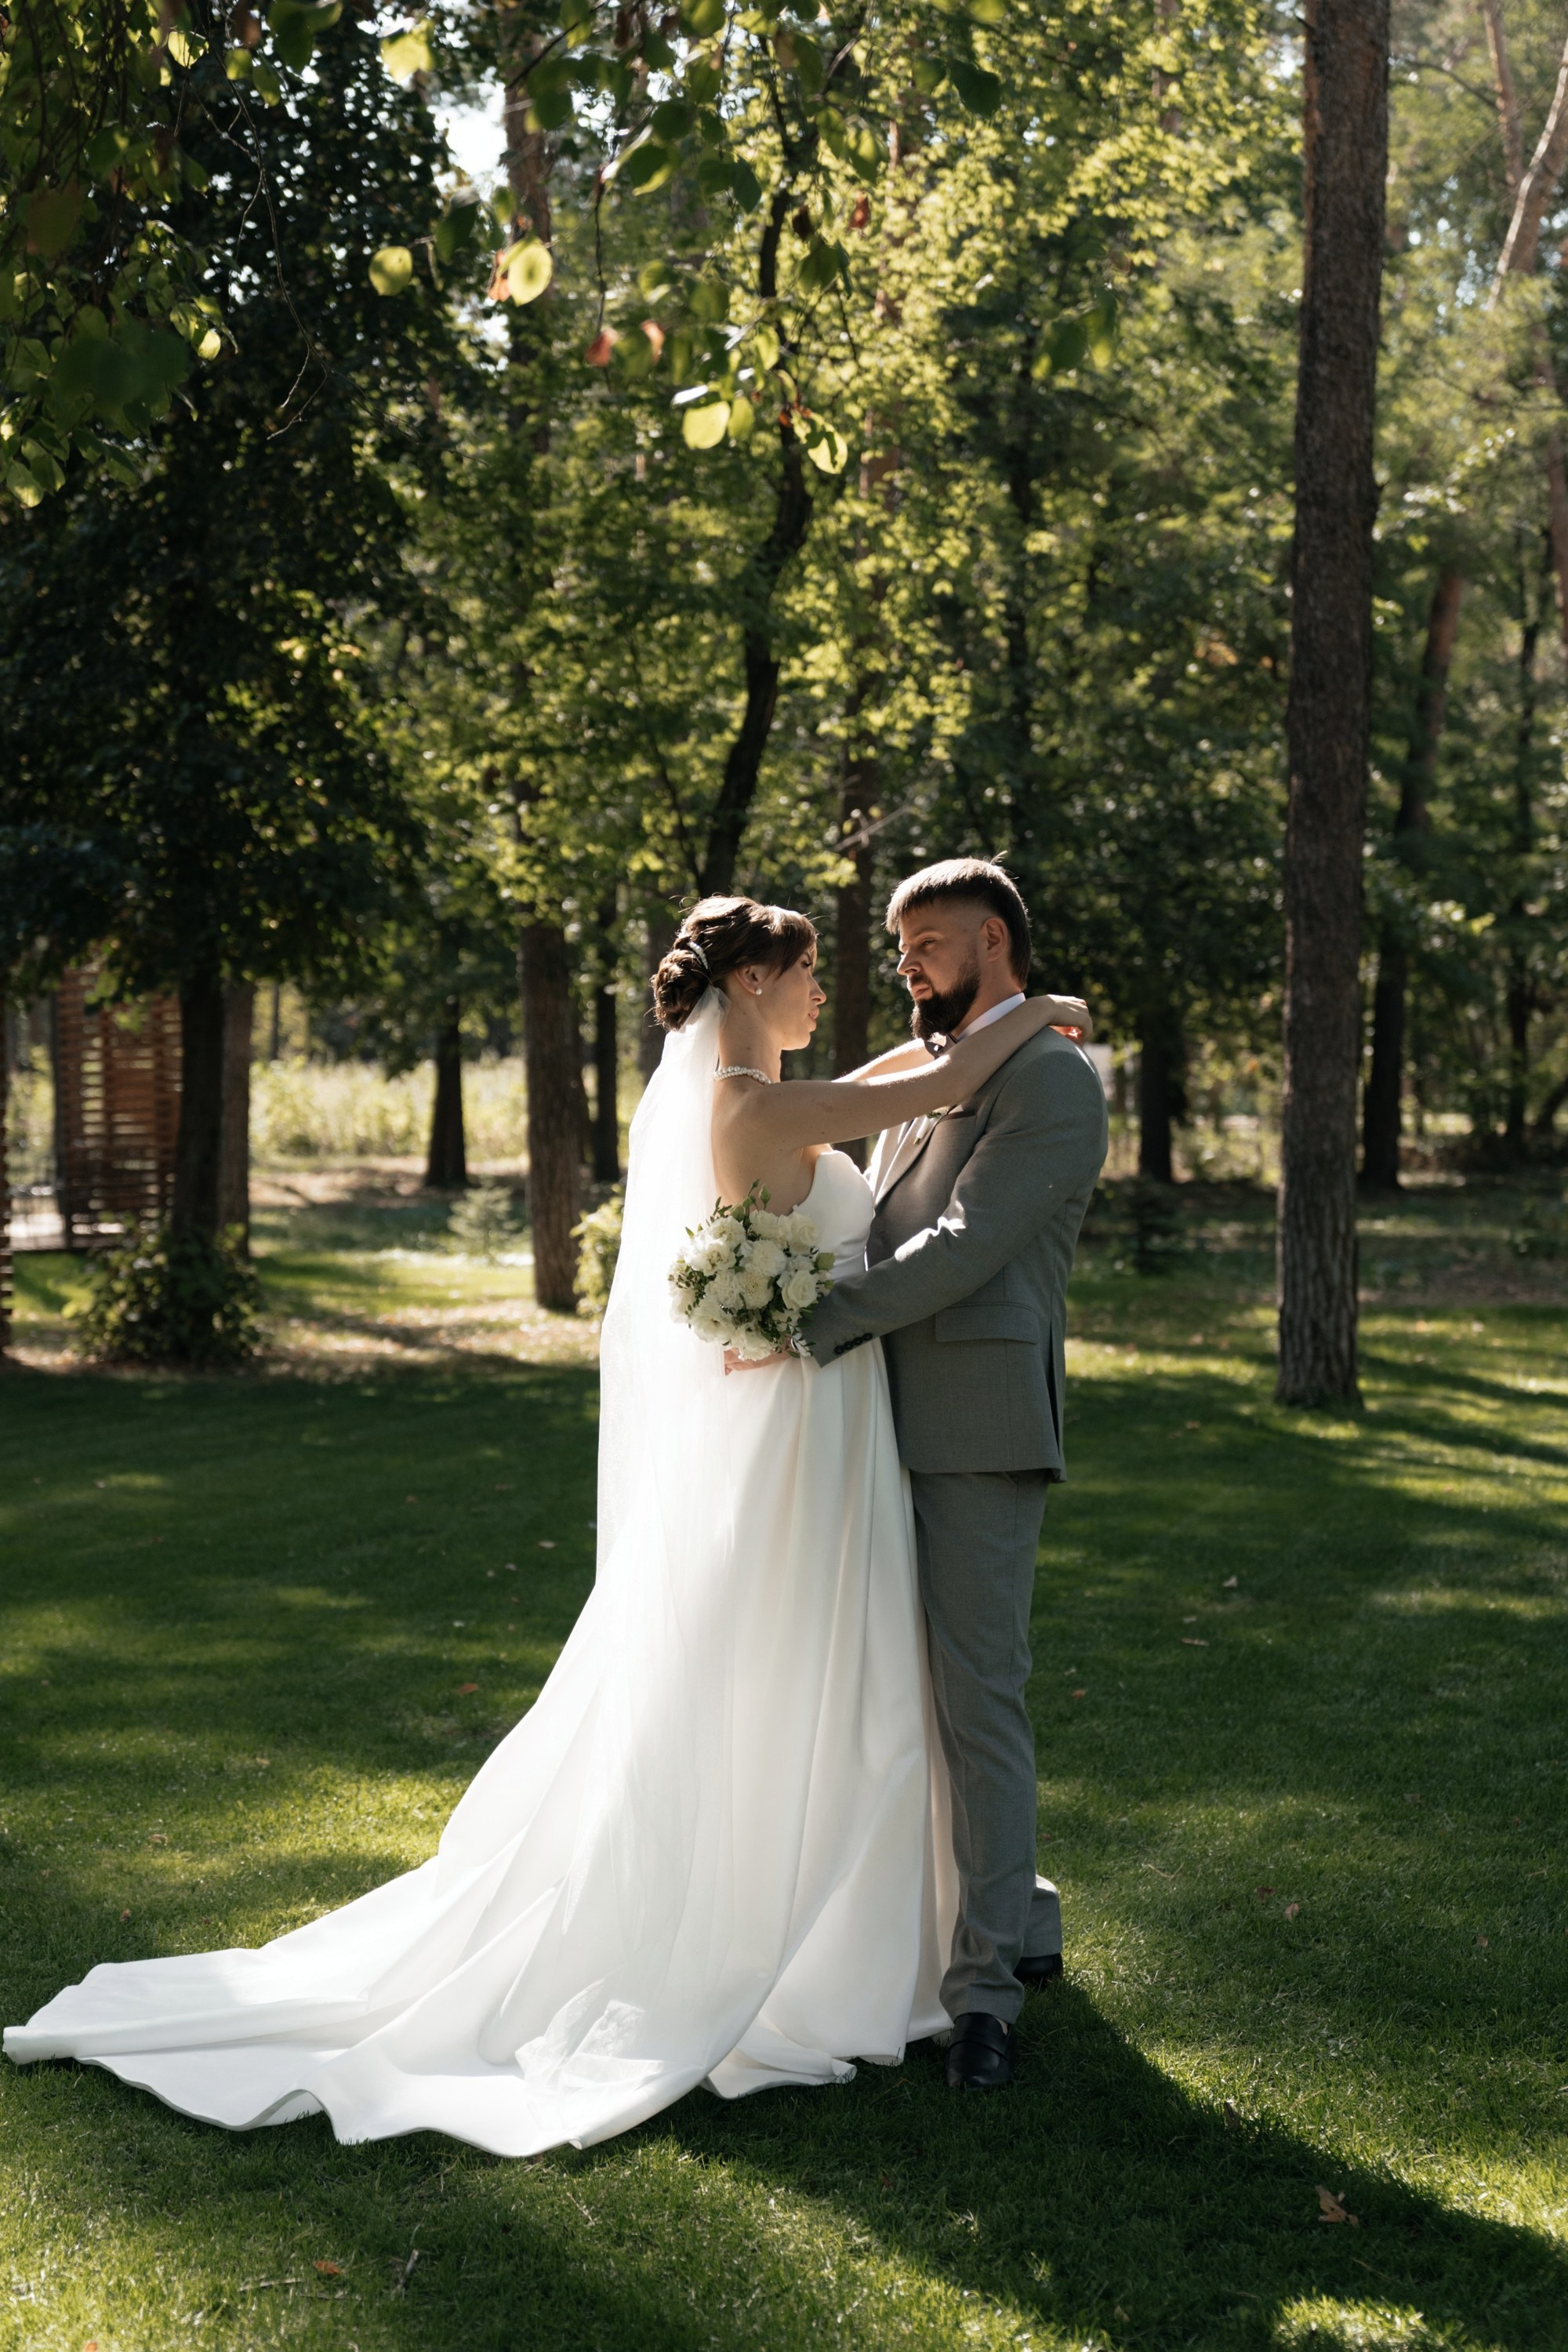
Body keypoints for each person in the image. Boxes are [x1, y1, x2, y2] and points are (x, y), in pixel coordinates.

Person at [4, 894, 1089, 2149]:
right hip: (812, 1425)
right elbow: (927, 1078)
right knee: (822, 1671)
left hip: (828, 1425)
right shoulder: (762, 1107)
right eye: (800, 975)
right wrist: (1044, 1015)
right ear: (745, 985)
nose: (822, 996)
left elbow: (907, 1074)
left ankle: (896, 1920)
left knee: (856, 1681)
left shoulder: (753, 1094)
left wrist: (1019, 1025)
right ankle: (829, 1933)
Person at [799, 858, 1109, 2090]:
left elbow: (967, 1244)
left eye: (925, 945)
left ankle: (982, 1997)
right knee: (900, 1698)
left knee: (979, 1704)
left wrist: (818, 1319)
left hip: (977, 1429)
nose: (909, 968)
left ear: (993, 938)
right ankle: (1021, 1923)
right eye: (899, 952)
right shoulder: (951, 1069)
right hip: (876, 1422)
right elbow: (872, 1204)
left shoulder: (1051, 1080)